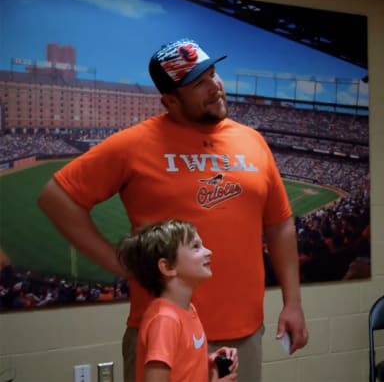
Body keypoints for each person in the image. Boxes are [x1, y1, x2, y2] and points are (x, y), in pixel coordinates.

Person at [37, 38, 309, 382]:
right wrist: (120, 263)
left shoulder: (252, 141)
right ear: (170, 100)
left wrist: (293, 303)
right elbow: (56, 197)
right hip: (162, 337)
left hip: (242, 335)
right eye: (199, 84)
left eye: (213, 73)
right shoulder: (133, 144)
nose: (215, 87)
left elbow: (280, 223)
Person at [116, 219, 238, 381]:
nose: (208, 252)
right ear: (167, 267)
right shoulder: (165, 320)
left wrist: (210, 359)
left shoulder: (187, 309)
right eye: (196, 247)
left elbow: (181, 363)